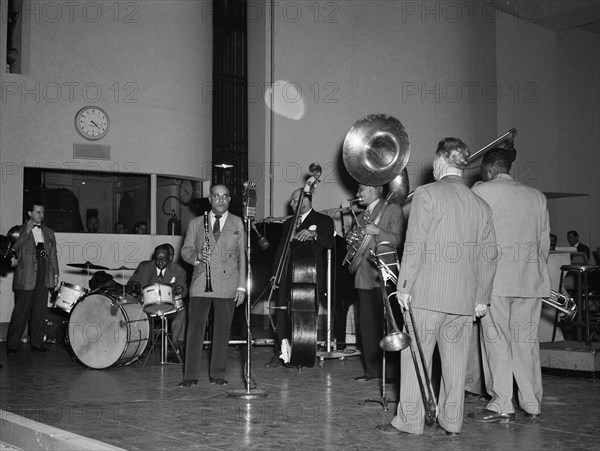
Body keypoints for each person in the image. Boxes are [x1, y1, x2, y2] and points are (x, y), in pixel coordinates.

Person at [378, 138, 497, 436]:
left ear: (442, 160)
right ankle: (452, 421)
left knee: (415, 358)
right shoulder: (481, 204)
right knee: (455, 366)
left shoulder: (428, 194)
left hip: (427, 296)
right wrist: (481, 298)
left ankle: (409, 420)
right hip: (463, 300)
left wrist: (403, 286)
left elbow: (416, 244)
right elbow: (490, 255)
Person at [470, 147, 551, 423]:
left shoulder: (481, 193)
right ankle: (531, 402)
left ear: (490, 169)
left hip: (495, 282)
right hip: (530, 282)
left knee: (496, 341)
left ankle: (502, 402)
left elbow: (475, 241)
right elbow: (544, 245)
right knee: (526, 343)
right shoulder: (537, 197)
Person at [178, 184, 246, 388]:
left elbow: (243, 256)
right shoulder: (196, 223)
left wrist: (241, 286)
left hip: (227, 284)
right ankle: (190, 375)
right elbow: (185, 251)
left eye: (225, 196)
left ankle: (218, 374)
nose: (221, 200)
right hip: (201, 283)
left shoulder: (238, 223)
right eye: (216, 196)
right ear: (210, 199)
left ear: (229, 199)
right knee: (195, 330)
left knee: (222, 330)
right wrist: (196, 256)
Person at [265, 188, 335, 368]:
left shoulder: (323, 220)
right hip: (286, 275)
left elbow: (330, 243)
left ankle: (302, 354)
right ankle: (280, 352)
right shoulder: (288, 224)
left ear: (305, 200)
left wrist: (315, 234)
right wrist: (275, 273)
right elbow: (281, 249)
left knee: (305, 320)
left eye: (295, 200)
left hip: (309, 277)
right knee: (281, 314)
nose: (291, 204)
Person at [348, 184, 404, 381]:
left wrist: (377, 231)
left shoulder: (393, 209)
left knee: (388, 325)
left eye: (361, 190)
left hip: (384, 275)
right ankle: (371, 371)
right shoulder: (362, 215)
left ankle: (391, 373)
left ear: (373, 189)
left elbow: (397, 240)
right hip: (363, 276)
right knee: (367, 325)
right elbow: (355, 247)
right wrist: (351, 240)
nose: (357, 194)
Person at [7, 201, 59, 354]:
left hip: (44, 272)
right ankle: (12, 345)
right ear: (30, 213)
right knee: (21, 312)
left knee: (40, 310)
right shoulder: (19, 231)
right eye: (38, 212)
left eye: (42, 212)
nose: (41, 215)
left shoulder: (49, 232)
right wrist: (27, 230)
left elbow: (53, 255)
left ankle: (36, 343)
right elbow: (14, 249)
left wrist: (55, 274)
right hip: (27, 274)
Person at [161, 242, 188, 362]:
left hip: (169, 308)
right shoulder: (149, 267)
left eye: (172, 255)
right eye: (168, 254)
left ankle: (175, 347)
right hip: (149, 307)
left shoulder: (179, 270)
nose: (170, 257)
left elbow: (184, 291)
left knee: (181, 312)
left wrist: (180, 291)